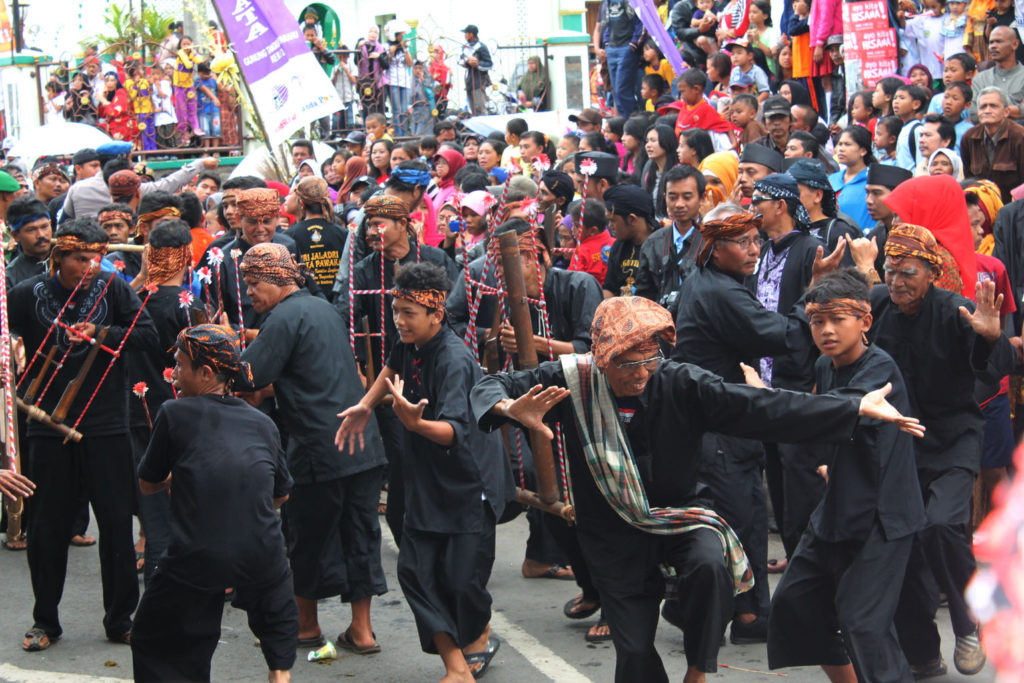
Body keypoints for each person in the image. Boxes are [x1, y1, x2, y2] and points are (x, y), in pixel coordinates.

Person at [470, 295, 921, 683]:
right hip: (610, 528)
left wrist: (852, 406)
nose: (642, 373)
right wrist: (510, 408)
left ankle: (698, 669)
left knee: (710, 564)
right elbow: (487, 385)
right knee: (632, 648)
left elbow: (761, 406)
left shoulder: (679, 381)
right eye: (629, 364)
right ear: (603, 357)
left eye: (650, 360)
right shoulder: (572, 380)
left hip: (682, 514)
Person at [337, 262, 513, 681]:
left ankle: (478, 632)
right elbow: (391, 369)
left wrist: (414, 424)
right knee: (414, 572)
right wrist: (367, 403)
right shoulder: (409, 343)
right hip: (425, 479)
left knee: (461, 582)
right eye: (396, 311)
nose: (399, 321)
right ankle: (457, 667)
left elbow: (453, 432)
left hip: (469, 483)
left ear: (436, 314)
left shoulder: (454, 359)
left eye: (408, 314)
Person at [766, 269, 927, 683]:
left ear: (865, 321)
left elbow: (840, 408)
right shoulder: (824, 365)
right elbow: (830, 420)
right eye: (818, 321)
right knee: (794, 601)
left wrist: (773, 401)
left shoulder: (881, 371)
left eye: (838, 319)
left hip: (882, 517)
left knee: (863, 624)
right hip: (838, 506)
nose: (827, 330)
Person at [672, 205, 821, 642]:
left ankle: (716, 606)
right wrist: (812, 290)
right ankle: (744, 613)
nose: (754, 250)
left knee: (730, 518)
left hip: (715, 420)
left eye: (757, 240)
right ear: (714, 249)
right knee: (740, 519)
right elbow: (787, 336)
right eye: (743, 242)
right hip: (719, 427)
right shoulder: (720, 291)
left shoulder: (713, 282)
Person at [10, 217, 157, 651]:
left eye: (96, 256)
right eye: (79, 258)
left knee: (114, 524)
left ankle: (120, 619)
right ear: (58, 257)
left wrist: (103, 332)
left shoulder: (113, 289)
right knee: (47, 528)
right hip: (46, 424)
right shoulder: (25, 295)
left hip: (106, 423)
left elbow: (147, 334)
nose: (90, 265)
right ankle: (46, 622)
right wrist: (13, 346)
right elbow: (6, 337)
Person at [236, 242, 388, 655]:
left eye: (253, 284)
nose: (249, 293)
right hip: (362, 444)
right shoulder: (321, 308)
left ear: (278, 279)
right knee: (361, 535)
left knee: (308, 537)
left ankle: (306, 626)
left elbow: (249, 375)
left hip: (321, 447)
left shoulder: (282, 317)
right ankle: (362, 630)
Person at [131, 324, 297, 683]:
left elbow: (147, 484)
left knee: (153, 633)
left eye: (179, 366)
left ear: (206, 373)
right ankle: (280, 674)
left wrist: (177, 479)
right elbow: (281, 493)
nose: (173, 375)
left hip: (198, 554)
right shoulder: (262, 421)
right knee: (275, 610)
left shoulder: (174, 413)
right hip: (262, 552)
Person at [337, 194, 457, 543]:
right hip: (390, 375)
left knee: (440, 449)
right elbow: (352, 321)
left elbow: (457, 313)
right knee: (403, 458)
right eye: (369, 224)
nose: (373, 231)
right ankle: (407, 531)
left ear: (404, 224)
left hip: (435, 368)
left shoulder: (435, 259)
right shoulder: (364, 270)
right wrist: (361, 365)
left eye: (380, 223)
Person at [122, 219, 201, 583]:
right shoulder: (189, 306)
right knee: (190, 496)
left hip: (140, 412)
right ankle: (187, 571)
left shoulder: (133, 302)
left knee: (152, 498)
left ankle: (158, 573)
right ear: (187, 254)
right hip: (186, 416)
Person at [635, 164, 705, 312]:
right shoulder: (653, 243)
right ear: (665, 198)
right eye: (672, 197)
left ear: (702, 198)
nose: (679, 204)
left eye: (687, 197)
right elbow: (644, 294)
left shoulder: (712, 241)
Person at [284, 177, 346, 301]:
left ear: (301, 203)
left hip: (306, 305)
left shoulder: (288, 236)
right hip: (340, 302)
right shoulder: (343, 233)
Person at [960, 87, 1024, 203]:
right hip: (981, 211)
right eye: (983, 107)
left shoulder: (1020, 137)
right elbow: (969, 183)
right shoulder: (968, 138)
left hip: (1014, 210)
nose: (987, 110)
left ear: (1006, 112)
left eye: (993, 106)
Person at [788, 159, 860, 259]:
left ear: (817, 195)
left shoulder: (839, 232)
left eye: (795, 190)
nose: (788, 196)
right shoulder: (790, 229)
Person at [603, 184, 657, 298]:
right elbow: (610, 289)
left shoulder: (661, 246)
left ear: (632, 219)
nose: (610, 226)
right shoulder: (618, 246)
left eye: (613, 221)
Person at [863, 163, 914, 277]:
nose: (869, 200)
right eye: (867, 193)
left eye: (876, 193)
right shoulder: (874, 238)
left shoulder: (917, 239)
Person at [969, 27, 1024, 122]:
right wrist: (1015, 110)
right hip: (987, 135)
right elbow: (973, 113)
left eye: (999, 41)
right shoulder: (980, 79)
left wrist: (987, 110)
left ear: (1015, 44)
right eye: (991, 42)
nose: (993, 46)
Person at [600, 1, 643, 117]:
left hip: (626, 48)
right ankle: (625, 124)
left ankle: (632, 120)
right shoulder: (607, 2)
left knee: (622, 90)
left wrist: (633, 44)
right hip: (612, 48)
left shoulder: (631, 2)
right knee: (616, 91)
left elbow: (640, 22)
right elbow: (607, 24)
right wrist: (607, 42)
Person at [829, 126, 875, 233]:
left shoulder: (872, 180)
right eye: (840, 144)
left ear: (863, 151)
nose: (841, 149)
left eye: (847, 144)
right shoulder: (832, 179)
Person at [5, 196, 53, 288]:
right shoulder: (10, 278)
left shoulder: (69, 261)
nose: (41, 235)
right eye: (31, 230)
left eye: (44, 227)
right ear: (15, 235)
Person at [568, 198, 616, 284]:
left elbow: (573, 282)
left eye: (576, 226)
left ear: (593, 231)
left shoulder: (581, 251)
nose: (572, 229)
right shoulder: (615, 243)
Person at [459, 25, 493, 116]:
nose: (465, 36)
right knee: (472, 108)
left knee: (480, 108)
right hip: (469, 80)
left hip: (479, 81)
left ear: (471, 34)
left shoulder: (481, 47)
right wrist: (467, 61)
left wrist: (477, 63)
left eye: (466, 33)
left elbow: (489, 64)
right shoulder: (465, 47)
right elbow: (460, 60)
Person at [357, 26, 387, 118]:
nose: (373, 34)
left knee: (380, 109)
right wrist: (358, 47)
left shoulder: (381, 48)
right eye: (371, 32)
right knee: (368, 110)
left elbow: (386, 65)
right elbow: (356, 61)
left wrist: (379, 57)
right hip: (365, 82)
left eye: (376, 32)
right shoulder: (362, 45)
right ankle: (368, 130)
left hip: (379, 83)